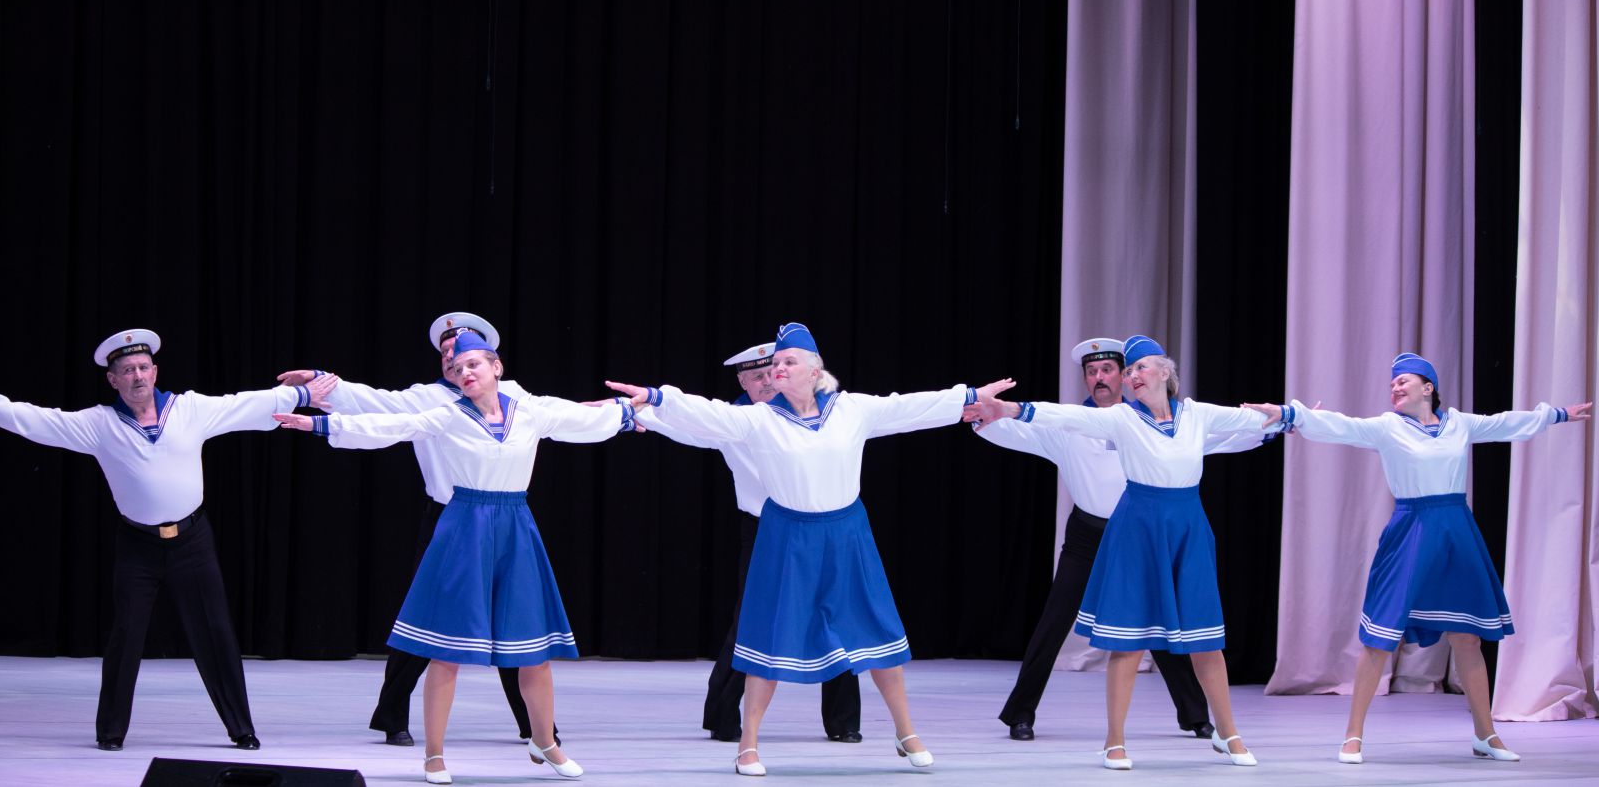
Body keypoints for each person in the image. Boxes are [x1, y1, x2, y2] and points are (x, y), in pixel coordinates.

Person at [607, 321, 1014, 776]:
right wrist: (656, 397)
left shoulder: (851, 409)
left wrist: (968, 395)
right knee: (768, 637)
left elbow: (907, 409)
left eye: (788, 361)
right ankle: (747, 744)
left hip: (847, 536)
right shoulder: (759, 419)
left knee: (876, 630)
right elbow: (705, 414)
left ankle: (905, 731)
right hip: (787, 537)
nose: (777, 368)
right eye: (774, 363)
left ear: (815, 370)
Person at [277, 331, 632, 784]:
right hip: (465, 527)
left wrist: (632, 412)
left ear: (497, 367)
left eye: (473, 364)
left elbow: (579, 420)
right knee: (445, 653)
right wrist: (321, 425)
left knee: (533, 651)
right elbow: (390, 425)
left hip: (516, 527)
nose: (463, 371)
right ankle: (434, 755)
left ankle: (545, 742)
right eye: (457, 366)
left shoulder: (528, 409)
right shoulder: (446, 413)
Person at [1246, 354, 1592, 765]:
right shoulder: (1387, 427)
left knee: (1467, 637)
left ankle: (1486, 734)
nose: (1394, 387)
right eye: (1392, 383)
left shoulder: (1459, 423)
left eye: (1403, 381)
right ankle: (1353, 734)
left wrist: (1556, 414)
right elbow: (1342, 425)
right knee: (1381, 636)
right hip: (1411, 529)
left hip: (1456, 531)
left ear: (1428, 388)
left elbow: (1505, 423)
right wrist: (1289, 414)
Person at [0, 328, 333, 751]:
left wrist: (299, 395)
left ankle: (241, 728)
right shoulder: (99, 424)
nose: (137, 376)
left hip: (192, 543)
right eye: (127, 370)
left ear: (155, 372)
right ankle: (111, 731)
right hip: (137, 546)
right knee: (126, 635)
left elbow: (243, 405)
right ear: (113, 380)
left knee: (215, 633)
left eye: (143, 367)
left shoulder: (188, 409)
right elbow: (32, 419)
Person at [964, 335, 1268, 769]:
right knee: (1069, 624)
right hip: (1096, 534)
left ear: (1160, 372)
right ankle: (1024, 713)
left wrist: (1279, 424)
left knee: (1174, 630)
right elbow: (1040, 422)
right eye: (1094, 372)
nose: (1105, 377)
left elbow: (1225, 434)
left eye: (1112, 369)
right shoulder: (1091, 423)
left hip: (1164, 533)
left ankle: (1201, 718)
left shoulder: (1182, 417)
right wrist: (991, 417)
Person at [278, 312, 540, 747]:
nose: (453, 359)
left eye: (462, 352)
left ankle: (535, 722)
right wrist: (324, 384)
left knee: (511, 615)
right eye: (446, 353)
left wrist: (623, 412)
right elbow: (376, 405)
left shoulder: (513, 396)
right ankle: (392, 715)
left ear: (491, 360)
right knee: (424, 618)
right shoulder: (428, 399)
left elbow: (560, 412)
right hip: (449, 521)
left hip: (500, 518)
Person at [637, 342, 862, 743]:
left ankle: (844, 722)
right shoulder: (736, 419)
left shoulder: (820, 414)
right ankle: (722, 715)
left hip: (820, 530)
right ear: (743, 383)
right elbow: (683, 422)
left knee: (834, 615)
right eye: (756, 376)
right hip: (764, 530)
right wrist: (632, 412)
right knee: (752, 621)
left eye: (771, 371)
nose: (767, 381)